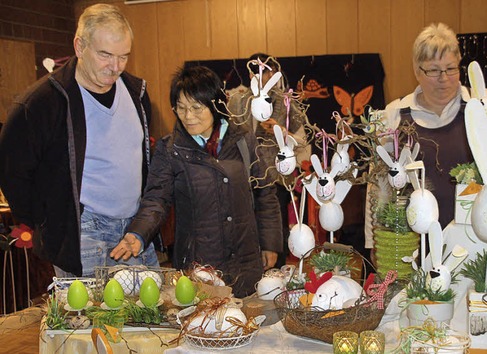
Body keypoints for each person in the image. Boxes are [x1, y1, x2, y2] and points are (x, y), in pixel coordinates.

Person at [0, 3, 159, 278]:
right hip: (82, 233)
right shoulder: (42, 102)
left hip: (133, 231)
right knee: (87, 319)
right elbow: (12, 172)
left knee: (149, 315)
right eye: (105, 55)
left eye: (123, 56)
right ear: (79, 46)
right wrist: (47, 220)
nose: (115, 67)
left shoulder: (136, 92)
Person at [111, 65, 282, 297]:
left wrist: (270, 242)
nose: (188, 117)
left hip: (245, 259)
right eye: (180, 108)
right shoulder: (170, 150)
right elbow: (156, 200)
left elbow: (264, 193)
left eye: (196, 107)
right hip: (199, 265)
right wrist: (138, 233)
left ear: (215, 105)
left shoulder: (243, 141)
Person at [365, 23, 487, 251]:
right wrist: (375, 242)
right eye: (433, 70)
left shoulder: (485, 106)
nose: (444, 78)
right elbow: (378, 188)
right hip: (412, 244)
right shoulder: (394, 114)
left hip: (478, 240)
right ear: (416, 70)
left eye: (451, 68)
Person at [229, 53, 309, 268]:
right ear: (251, 74)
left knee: (276, 227)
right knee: (246, 225)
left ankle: (278, 272)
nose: (265, 76)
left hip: (276, 174)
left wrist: (281, 131)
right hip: (244, 174)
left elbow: (301, 141)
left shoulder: (285, 101)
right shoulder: (238, 100)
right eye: (261, 72)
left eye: (270, 71)